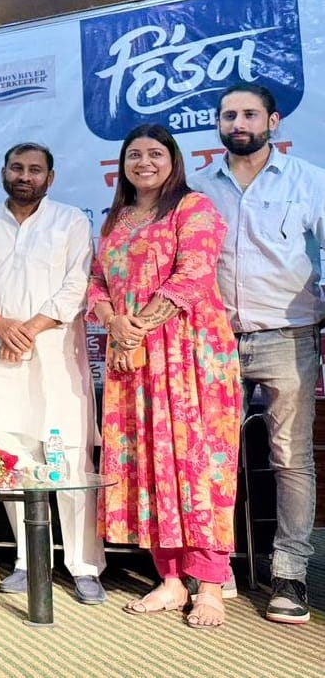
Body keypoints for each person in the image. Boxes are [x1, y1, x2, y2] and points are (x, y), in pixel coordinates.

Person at [87, 123, 240, 629]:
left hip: (190, 356)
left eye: (155, 153)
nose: (144, 162)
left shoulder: (193, 208)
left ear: (173, 160)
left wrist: (135, 329)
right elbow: (96, 283)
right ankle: (171, 580)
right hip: (133, 361)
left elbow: (193, 275)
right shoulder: (116, 219)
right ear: (122, 164)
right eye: (134, 154)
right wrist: (115, 323)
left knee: (199, 462)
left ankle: (211, 585)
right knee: (149, 463)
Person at [191, 82, 325, 624]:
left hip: (288, 336)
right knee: (208, 457)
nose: (238, 123)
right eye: (229, 115)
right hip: (213, 341)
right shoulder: (198, 188)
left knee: (291, 457)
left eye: (249, 114)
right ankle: (212, 567)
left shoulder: (308, 180)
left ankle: (289, 573)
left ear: (273, 122)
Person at [0, 142, 105, 604]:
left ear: (51, 177)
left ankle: (84, 566)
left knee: (68, 460)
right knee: (11, 457)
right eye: (17, 168)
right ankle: (28, 560)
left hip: (54, 355)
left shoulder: (70, 220)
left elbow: (77, 286)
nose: (25, 176)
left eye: (35, 170)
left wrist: (27, 329)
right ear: (3, 171)